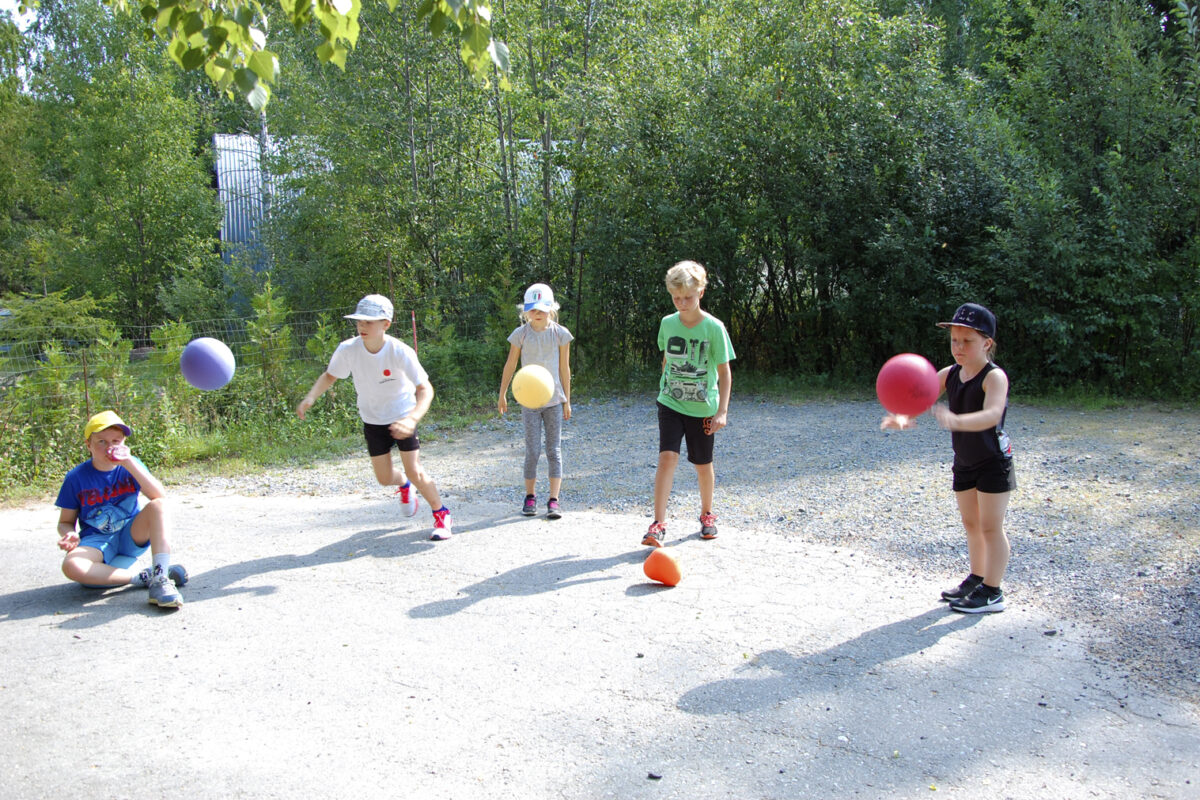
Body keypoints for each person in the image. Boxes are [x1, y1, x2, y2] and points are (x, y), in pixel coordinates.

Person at [881, 302, 1015, 613]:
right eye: (954, 340)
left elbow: (993, 413)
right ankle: (977, 578)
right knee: (971, 523)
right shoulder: (949, 373)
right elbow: (921, 395)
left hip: (993, 461)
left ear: (987, 343)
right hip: (965, 461)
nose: (959, 347)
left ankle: (993, 592)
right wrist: (902, 416)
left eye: (967, 341)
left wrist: (957, 421)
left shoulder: (994, 377)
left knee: (991, 526)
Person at [296, 294, 454, 540]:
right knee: (384, 478)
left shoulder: (400, 351)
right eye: (359, 320)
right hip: (372, 420)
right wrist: (310, 397)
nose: (362, 326)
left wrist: (411, 419)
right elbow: (330, 375)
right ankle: (404, 486)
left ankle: (441, 514)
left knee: (415, 470)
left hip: (402, 416)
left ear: (386, 324)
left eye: (369, 321)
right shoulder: (348, 349)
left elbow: (426, 389)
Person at [643, 260, 735, 547]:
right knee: (666, 458)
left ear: (701, 293)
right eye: (676, 297)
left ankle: (707, 515)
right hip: (670, 403)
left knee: (702, 464)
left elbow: (724, 372)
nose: (682, 303)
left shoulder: (714, 328)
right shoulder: (667, 324)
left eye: (688, 297)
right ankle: (657, 524)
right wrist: (665, 385)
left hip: (703, 409)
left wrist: (722, 411)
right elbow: (667, 359)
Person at [55, 410, 188, 608]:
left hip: (131, 534)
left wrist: (129, 463)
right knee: (72, 566)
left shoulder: (131, 465)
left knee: (158, 505)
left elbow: (159, 496)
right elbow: (65, 522)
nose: (110, 447)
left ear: (124, 443)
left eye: (116, 441)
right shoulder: (76, 477)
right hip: (96, 542)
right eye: (102, 442)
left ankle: (161, 580)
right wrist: (70, 534)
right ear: (88, 445)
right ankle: (142, 577)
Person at [497, 283, 574, 519]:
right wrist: (502, 393)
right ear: (525, 311)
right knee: (532, 450)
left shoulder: (560, 334)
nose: (537, 313)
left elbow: (564, 368)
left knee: (554, 450)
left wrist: (567, 400)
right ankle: (530, 497)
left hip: (553, 401)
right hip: (529, 401)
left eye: (542, 308)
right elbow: (510, 364)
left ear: (551, 308)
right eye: (532, 309)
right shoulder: (520, 334)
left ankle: (554, 500)